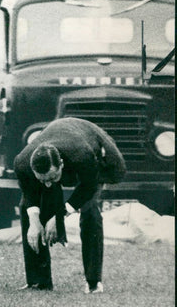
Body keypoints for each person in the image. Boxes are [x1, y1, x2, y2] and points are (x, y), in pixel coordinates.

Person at [14, 117, 126, 294]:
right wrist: (34, 223)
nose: (48, 184)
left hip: (90, 140)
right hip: (61, 136)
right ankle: (38, 281)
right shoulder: (21, 163)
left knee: (89, 210)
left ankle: (94, 281)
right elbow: (29, 194)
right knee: (27, 211)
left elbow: (88, 187)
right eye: (42, 180)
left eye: (52, 178)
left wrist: (59, 215)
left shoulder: (82, 156)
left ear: (62, 166)